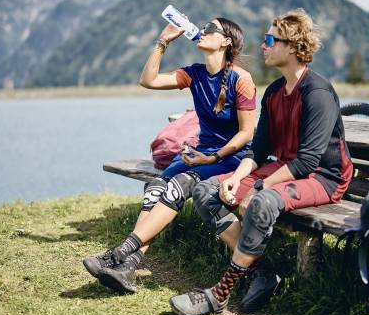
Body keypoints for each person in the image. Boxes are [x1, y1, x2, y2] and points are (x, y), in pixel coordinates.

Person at [169, 8, 354, 315]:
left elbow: (308, 161)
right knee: (206, 192)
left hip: (323, 177)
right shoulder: (274, 93)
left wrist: (257, 187)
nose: (264, 45)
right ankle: (262, 272)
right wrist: (235, 178)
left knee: (263, 202)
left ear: (293, 47)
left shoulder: (317, 92)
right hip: (285, 167)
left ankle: (220, 293)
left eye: (271, 39)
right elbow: (258, 150)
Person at [82, 17, 258, 293]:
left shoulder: (241, 80)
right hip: (202, 154)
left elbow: (247, 133)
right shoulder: (195, 74)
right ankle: (129, 266)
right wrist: (163, 42)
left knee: (177, 185)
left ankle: (117, 255)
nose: (203, 31)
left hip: (231, 157)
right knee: (155, 187)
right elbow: (148, 80)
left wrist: (211, 158)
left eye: (211, 29)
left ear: (226, 41)